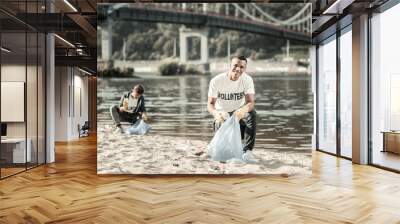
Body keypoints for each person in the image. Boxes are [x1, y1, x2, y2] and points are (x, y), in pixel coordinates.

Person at [207, 56, 257, 162]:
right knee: (222, 151)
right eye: (235, 65)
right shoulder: (217, 81)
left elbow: (251, 102)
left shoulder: (247, 80)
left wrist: (244, 109)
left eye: (242, 67)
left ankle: (247, 151)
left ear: (245, 69)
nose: (238, 69)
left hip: (238, 116)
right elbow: (210, 104)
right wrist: (216, 113)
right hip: (222, 116)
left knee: (251, 114)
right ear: (230, 66)